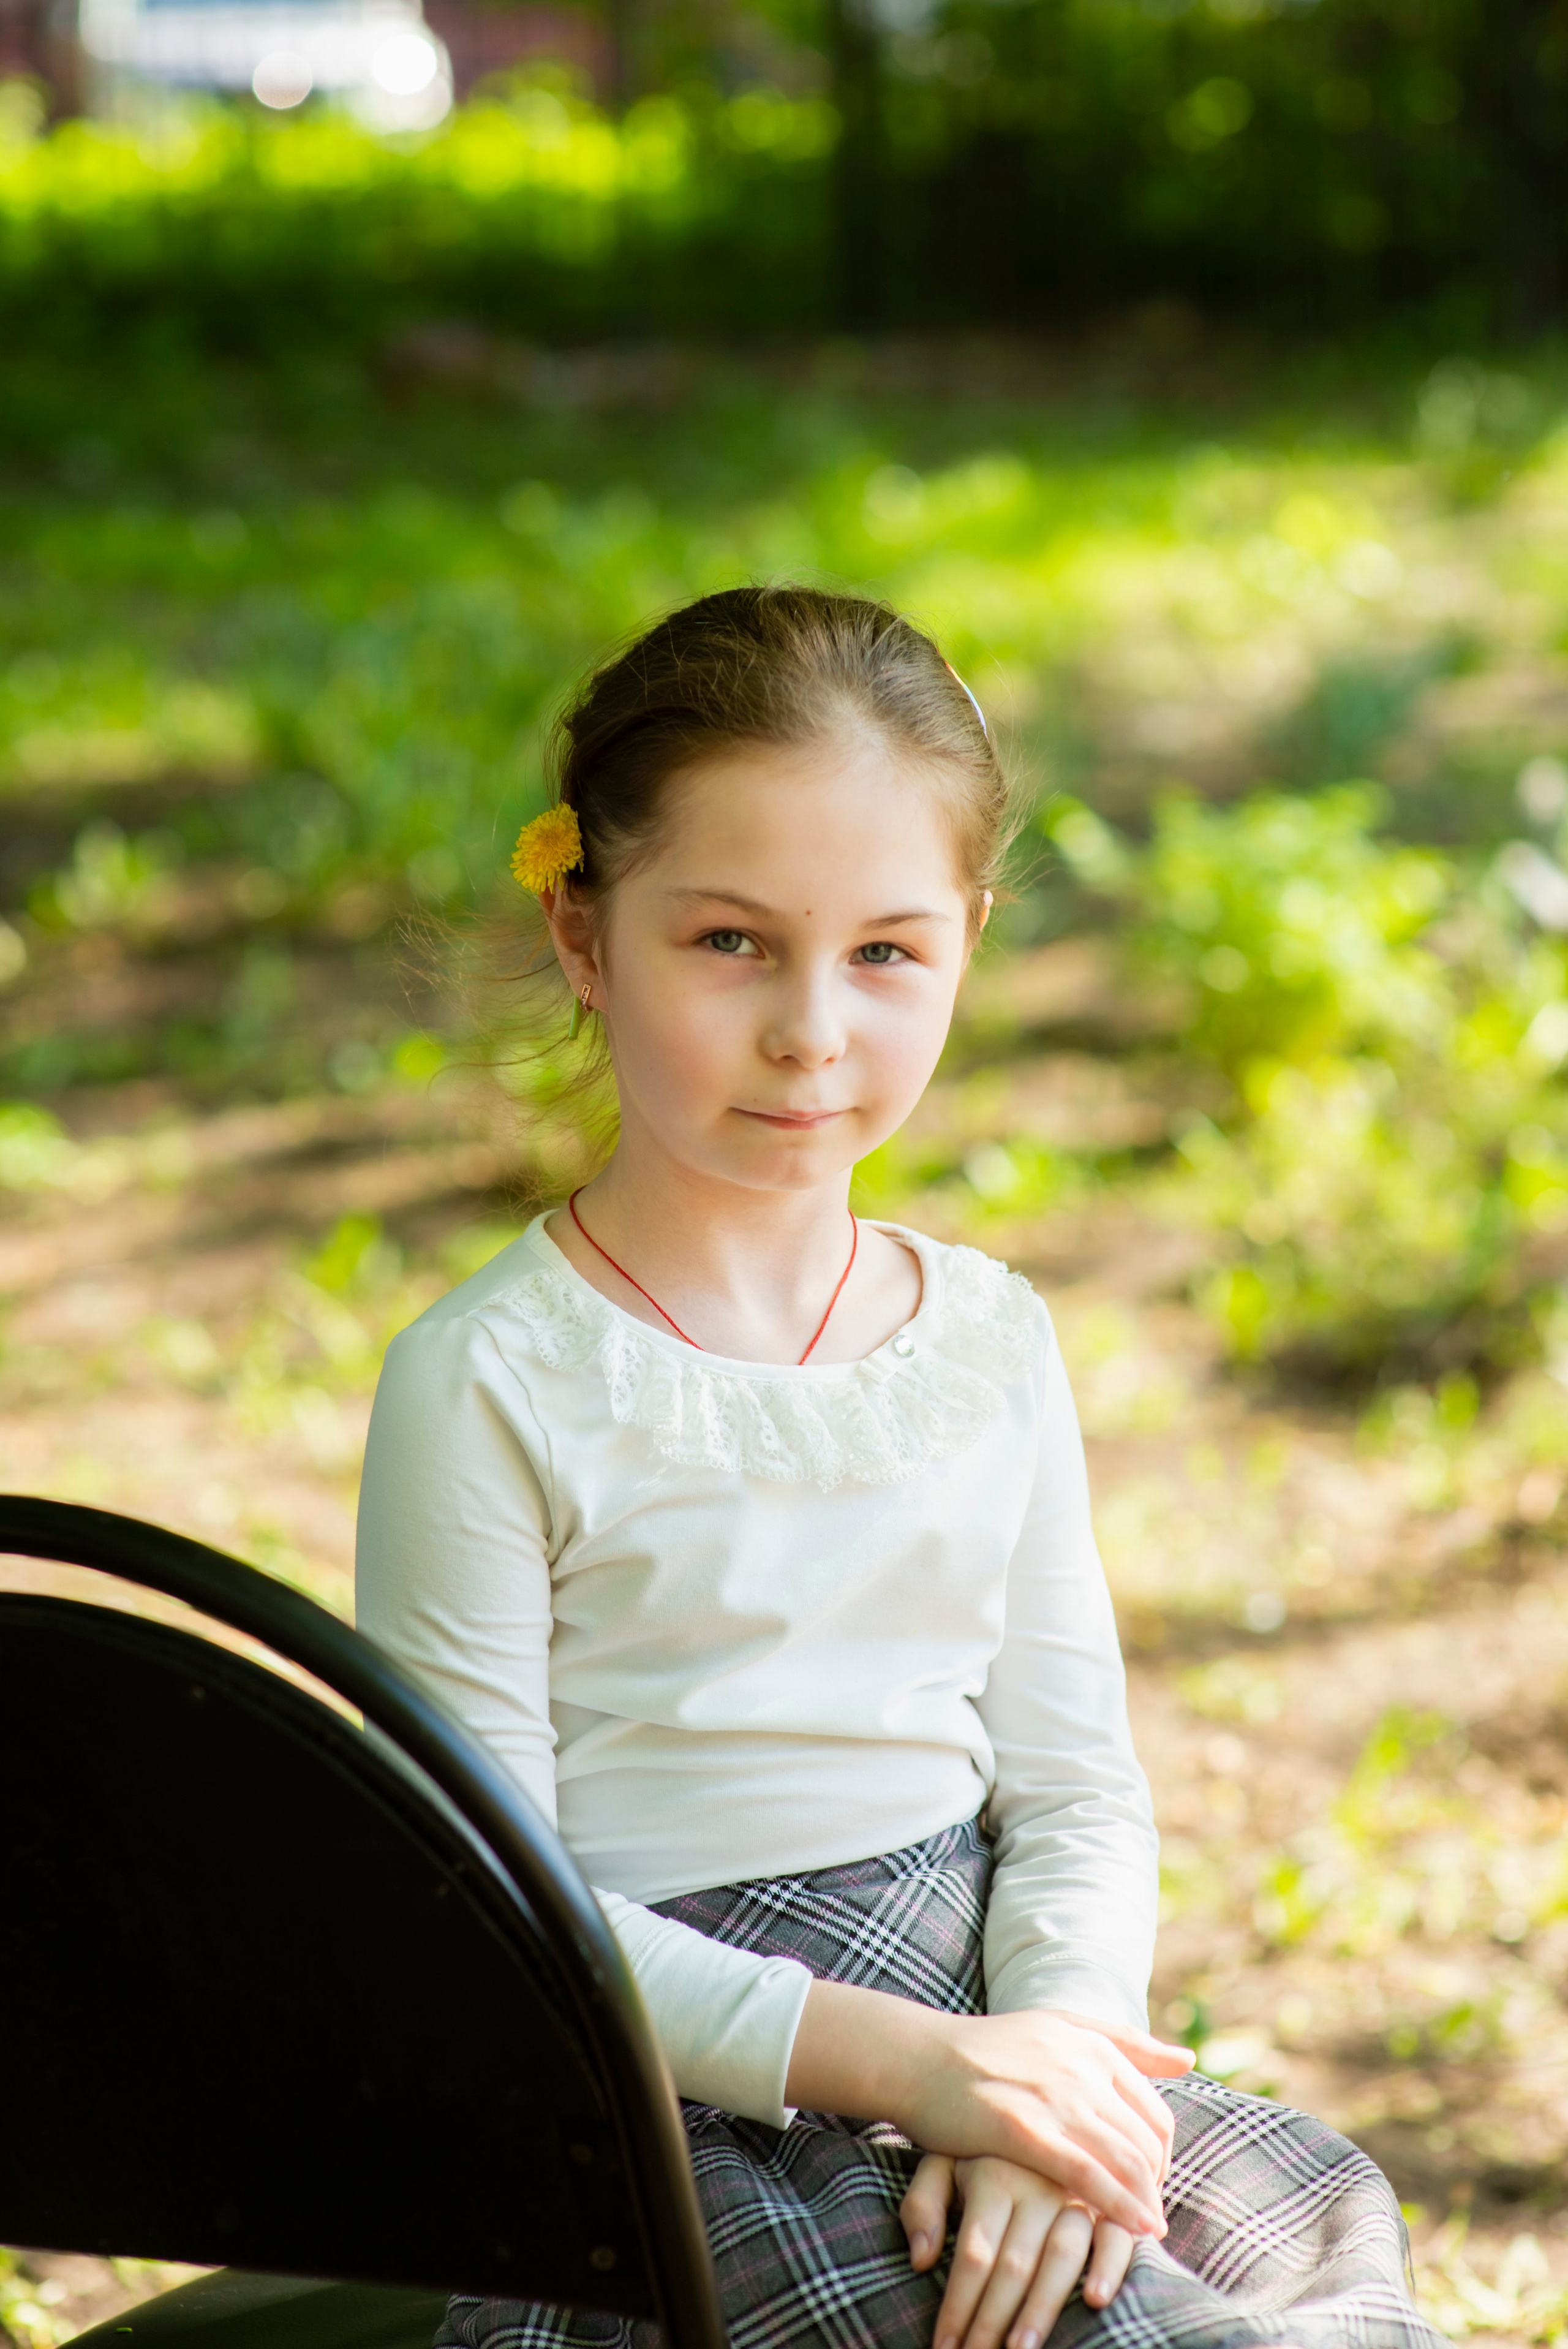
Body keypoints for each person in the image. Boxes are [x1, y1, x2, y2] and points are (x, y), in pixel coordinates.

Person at [356, 586, 1441, 2349]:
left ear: (970, 939)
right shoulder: (494, 1380)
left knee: (1310, 2230)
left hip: (993, 2029)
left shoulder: (988, 1337)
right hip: (679, 2098)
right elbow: (505, 1917)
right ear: (583, 930)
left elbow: (1076, 1791)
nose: (811, 1029)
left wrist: (1051, 2086)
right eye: (729, 943)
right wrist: (924, 2073)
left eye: (886, 950)